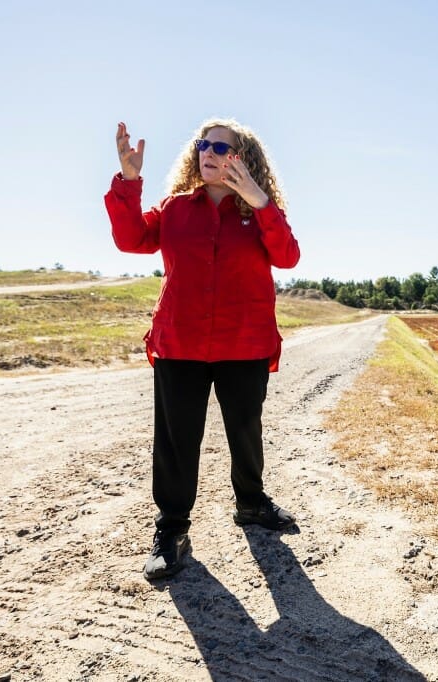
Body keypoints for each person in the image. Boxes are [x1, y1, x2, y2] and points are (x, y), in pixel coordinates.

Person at [105, 118, 301, 580]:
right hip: (181, 343)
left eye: (220, 146)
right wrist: (130, 180)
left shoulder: (258, 212)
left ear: (243, 158)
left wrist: (259, 200)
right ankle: (171, 529)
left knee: (245, 431)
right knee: (176, 442)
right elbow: (130, 239)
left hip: (244, 341)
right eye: (202, 144)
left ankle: (251, 505)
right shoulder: (174, 210)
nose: (207, 151)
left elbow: (288, 256)